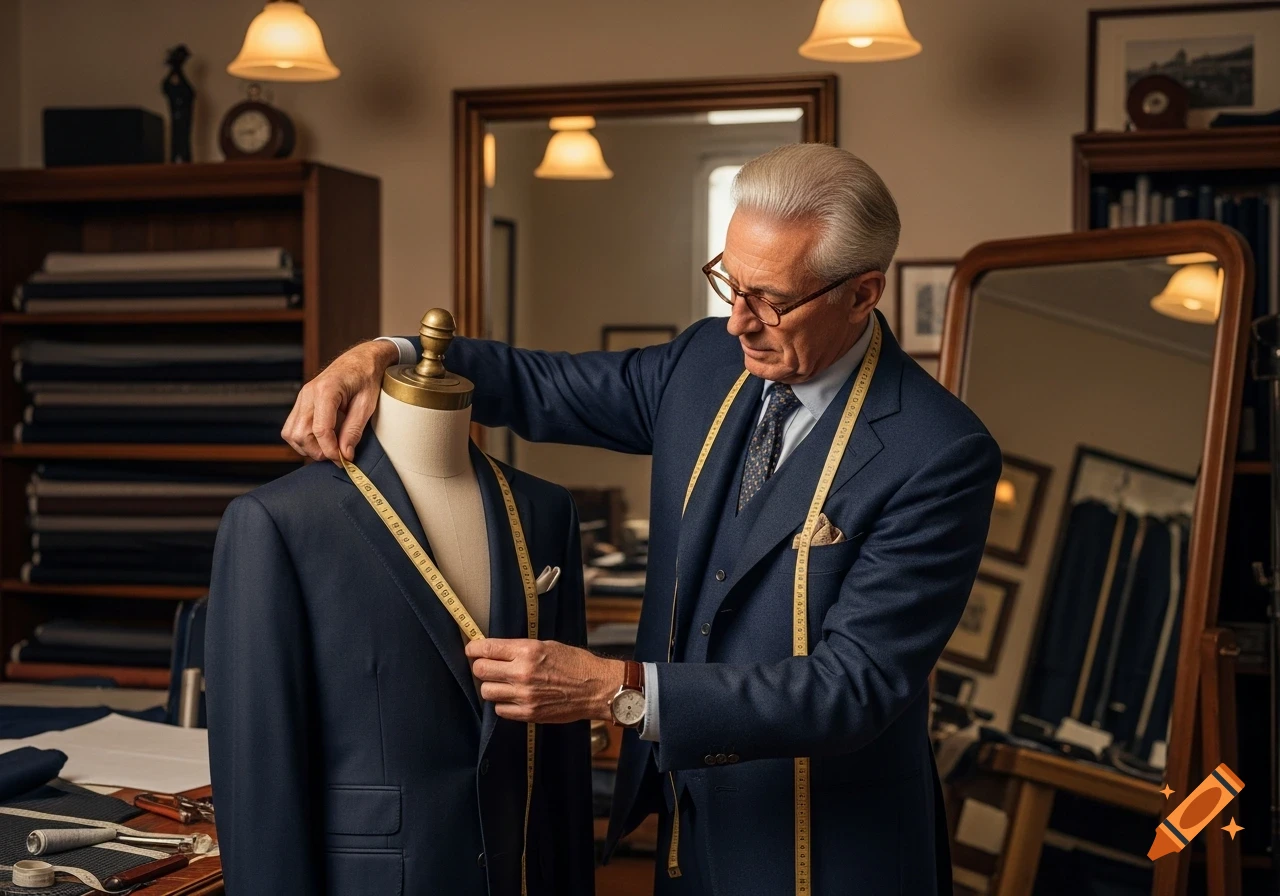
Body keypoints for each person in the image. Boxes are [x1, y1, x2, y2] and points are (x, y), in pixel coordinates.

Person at [283, 143, 1001, 894]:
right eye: (729, 281)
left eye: (771, 300)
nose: (737, 323)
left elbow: (851, 689)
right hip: (688, 827)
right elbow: (541, 385)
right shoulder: (704, 364)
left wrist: (615, 690)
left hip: (830, 852)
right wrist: (384, 355)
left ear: (863, 294)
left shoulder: (940, 452)